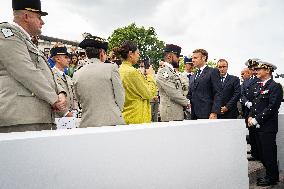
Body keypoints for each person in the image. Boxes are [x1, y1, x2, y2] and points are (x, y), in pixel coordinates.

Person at [0, 0, 67, 133]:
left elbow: (45, 72)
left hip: (36, 116)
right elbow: (25, 70)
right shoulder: (7, 33)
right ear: (26, 16)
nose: (42, 22)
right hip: (21, 117)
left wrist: (61, 92)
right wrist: (54, 99)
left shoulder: (25, 40)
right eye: (39, 17)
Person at [73, 35, 125, 127]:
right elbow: (120, 97)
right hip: (111, 122)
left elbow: (78, 99)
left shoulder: (77, 73)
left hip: (87, 123)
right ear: (101, 53)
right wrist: (115, 112)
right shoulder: (112, 68)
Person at [247, 61, 283, 186]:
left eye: (259, 69)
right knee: (262, 153)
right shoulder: (258, 86)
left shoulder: (275, 86)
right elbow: (254, 104)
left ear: (267, 71)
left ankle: (272, 178)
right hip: (257, 126)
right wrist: (250, 116)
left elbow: (272, 107)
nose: (256, 71)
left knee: (269, 153)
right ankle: (269, 175)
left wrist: (256, 119)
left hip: (267, 127)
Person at [114, 41, 156, 124]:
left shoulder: (119, 70)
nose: (138, 56)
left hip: (126, 115)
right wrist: (150, 76)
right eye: (137, 53)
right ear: (130, 54)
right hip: (137, 118)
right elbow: (149, 94)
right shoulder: (132, 72)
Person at [156, 44, 189, 122]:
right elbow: (173, 93)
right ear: (169, 57)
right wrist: (187, 103)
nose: (179, 60)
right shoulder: (163, 71)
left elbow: (182, 88)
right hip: (170, 112)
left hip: (176, 111)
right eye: (177, 57)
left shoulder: (172, 71)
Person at [188, 49, 222, 119]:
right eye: (192, 58)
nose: (193, 60)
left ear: (204, 58)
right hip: (193, 114)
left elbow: (218, 93)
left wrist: (214, 112)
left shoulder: (213, 71)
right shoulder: (193, 75)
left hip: (208, 114)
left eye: (195, 58)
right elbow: (190, 93)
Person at [241, 58, 261, 161]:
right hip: (248, 110)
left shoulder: (261, 79)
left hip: (258, 109)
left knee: (258, 133)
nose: (253, 69)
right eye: (251, 67)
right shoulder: (247, 80)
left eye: (254, 67)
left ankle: (260, 153)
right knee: (252, 133)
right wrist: (246, 103)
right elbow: (242, 94)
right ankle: (254, 153)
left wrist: (254, 104)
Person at [50, 44, 78, 118]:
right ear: (58, 59)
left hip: (71, 117)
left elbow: (74, 96)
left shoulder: (68, 77)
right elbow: (52, 97)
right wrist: (66, 113)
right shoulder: (50, 75)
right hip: (58, 119)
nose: (69, 60)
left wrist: (75, 110)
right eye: (66, 57)